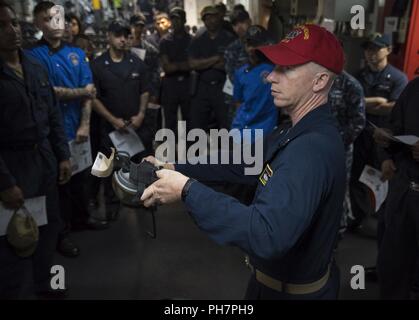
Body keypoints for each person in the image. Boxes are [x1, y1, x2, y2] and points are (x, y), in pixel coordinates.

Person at [141, 24, 346, 300]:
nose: (270, 77)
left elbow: (266, 234)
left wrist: (186, 190)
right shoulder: (293, 130)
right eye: (274, 66)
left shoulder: (310, 150)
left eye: (285, 69)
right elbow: (241, 162)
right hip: (269, 284)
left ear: (319, 81)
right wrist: (175, 167)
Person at [0, 2, 71, 298]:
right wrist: (4, 182)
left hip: (43, 160)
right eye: (2, 25)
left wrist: (63, 155)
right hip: (13, 166)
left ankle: (46, 284)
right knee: (13, 237)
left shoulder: (34, 65)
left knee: (48, 226)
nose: (12, 30)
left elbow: (53, 115)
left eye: (14, 23)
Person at [28, 1, 108, 258]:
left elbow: (89, 90)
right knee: (58, 185)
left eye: (60, 18)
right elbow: (47, 92)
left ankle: (83, 218)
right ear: (38, 23)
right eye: (49, 18)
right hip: (52, 132)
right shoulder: (31, 56)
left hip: (78, 128)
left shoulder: (76, 53)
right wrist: (79, 92)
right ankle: (61, 234)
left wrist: (85, 124)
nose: (57, 23)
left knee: (81, 179)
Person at [90, 20, 152, 221]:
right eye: (118, 35)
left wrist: (141, 114)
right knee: (107, 168)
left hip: (135, 125)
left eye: (126, 35)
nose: (123, 39)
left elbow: (144, 90)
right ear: (109, 36)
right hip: (110, 127)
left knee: (141, 165)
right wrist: (112, 119)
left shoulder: (136, 63)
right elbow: (94, 98)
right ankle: (111, 204)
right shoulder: (98, 65)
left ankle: (143, 198)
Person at [350, 33, 408, 230]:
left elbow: (393, 107)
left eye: (376, 48)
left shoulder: (399, 78)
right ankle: (357, 218)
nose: (371, 53)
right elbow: (352, 103)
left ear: (388, 50)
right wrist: (376, 102)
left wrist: (364, 103)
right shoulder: (358, 76)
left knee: (382, 177)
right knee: (356, 176)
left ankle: (382, 220)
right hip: (361, 133)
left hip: (384, 138)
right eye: (368, 49)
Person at [373, 77, 419, 299]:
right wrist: (385, 147)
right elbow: (395, 127)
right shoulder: (414, 88)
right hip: (404, 192)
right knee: (392, 267)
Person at [328, 70, 366, 233]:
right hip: (314, 145)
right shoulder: (314, 78)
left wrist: (338, 142)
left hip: (339, 148)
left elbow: (358, 121)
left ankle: (337, 232)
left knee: (338, 191)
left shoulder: (351, 84)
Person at [188, 5, 235, 131]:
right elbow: (192, 64)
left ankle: (225, 150)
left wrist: (203, 63)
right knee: (197, 124)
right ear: (204, 21)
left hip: (223, 86)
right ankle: (199, 150)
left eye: (213, 17)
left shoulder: (229, 38)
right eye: (207, 18)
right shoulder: (198, 40)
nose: (211, 21)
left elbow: (229, 64)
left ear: (219, 18)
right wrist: (215, 59)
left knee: (225, 123)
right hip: (202, 87)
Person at [231, 25, 277, 143]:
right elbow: (238, 104)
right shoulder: (240, 72)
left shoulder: (277, 69)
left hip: (266, 131)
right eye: (249, 44)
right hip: (242, 131)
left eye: (257, 45)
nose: (252, 48)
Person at [159, 7, 192, 137]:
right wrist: (184, 65)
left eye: (178, 19)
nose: (176, 22)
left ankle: (191, 153)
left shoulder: (191, 40)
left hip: (187, 84)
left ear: (184, 20)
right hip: (170, 85)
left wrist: (176, 66)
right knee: (170, 121)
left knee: (189, 120)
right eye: (173, 19)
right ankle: (172, 152)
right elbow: (167, 68)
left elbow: (193, 64)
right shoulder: (165, 41)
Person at [129, 13, 160, 103]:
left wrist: (153, 93)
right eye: (136, 26)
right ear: (130, 26)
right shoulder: (122, 48)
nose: (138, 29)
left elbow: (155, 72)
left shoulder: (150, 49)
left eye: (141, 26)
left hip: (145, 91)